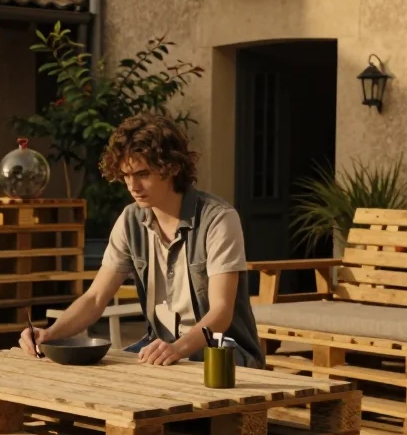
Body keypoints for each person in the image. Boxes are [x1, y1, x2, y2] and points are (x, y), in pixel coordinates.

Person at [19, 112, 262, 367]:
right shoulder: (130, 220)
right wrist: (49, 335)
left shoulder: (218, 219)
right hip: (160, 348)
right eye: (125, 175)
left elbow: (221, 313)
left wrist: (177, 349)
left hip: (222, 352)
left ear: (173, 167)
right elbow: (95, 298)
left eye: (143, 173)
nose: (132, 186)